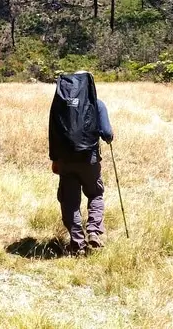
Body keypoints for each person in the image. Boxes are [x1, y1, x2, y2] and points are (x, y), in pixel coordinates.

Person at [48, 71, 114, 256]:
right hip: (89, 159)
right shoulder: (97, 104)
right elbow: (107, 133)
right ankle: (93, 231)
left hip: (66, 161)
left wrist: (54, 160)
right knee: (95, 194)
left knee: (69, 202)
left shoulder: (59, 105)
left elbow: (53, 133)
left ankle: (77, 243)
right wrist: (108, 138)